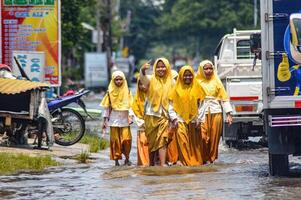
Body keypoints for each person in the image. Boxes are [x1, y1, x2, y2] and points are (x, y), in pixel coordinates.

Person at [196, 60, 233, 163]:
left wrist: (229, 114)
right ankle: (203, 158)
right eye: (206, 68)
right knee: (203, 137)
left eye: (210, 68)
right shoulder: (196, 82)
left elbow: (224, 98)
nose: (208, 71)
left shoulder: (217, 81)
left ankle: (211, 160)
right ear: (201, 70)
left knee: (214, 137)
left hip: (215, 111)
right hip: (201, 112)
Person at [168, 65, 205, 166]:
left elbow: (201, 105)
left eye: (190, 75)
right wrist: (174, 119)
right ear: (180, 76)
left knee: (194, 145)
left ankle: (195, 163)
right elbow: (170, 105)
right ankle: (186, 164)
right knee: (183, 142)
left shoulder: (197, 87)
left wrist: (199, 119)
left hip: (194, 120)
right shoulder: (175, 89)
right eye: (185, 75)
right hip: (180, 120)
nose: (187, 77)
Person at [140, 57, 173, 166]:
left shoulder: (172, 81)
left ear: (167, 67)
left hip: (164, 115)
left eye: (163, 66)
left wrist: (174, 117)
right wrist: (143, 70)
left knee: (162, 140)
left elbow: (174, 100)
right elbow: (143, 81)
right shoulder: (150, 78)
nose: (161, 69)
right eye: (158, 67)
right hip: (151, 114)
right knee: (152, 141)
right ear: (155, 68)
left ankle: (162, 165)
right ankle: (151, 164)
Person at [100, 71, 133, 166]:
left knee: (127, 139)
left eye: (120, 79)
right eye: (116, 80)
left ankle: (127, 158)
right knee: (115, 140)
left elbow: (131, 105)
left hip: (125, 119)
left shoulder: (128, 91)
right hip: (113, 120)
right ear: (113, 80)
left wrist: (130, 116)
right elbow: (106, 108)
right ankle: (116, 160)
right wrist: (104, 121)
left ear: (124, 80)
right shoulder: (109, 92)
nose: (118, 81)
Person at [132, 78, 150, 166]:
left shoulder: (152, 96)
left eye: (145, 84)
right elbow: (135, 112)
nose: (142, 86)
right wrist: (142, 122)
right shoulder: (136, 98)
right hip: (142, 126)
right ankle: (144, 164)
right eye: (140, 84)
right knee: (143, 143)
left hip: (153, 126)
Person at [166, 69, 179, 165]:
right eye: (174, 78)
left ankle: (175, 159)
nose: (176, 81)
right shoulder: (165, 89)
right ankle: (171, 159)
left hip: (177, 118)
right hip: (168, 118)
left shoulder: (179, 89)